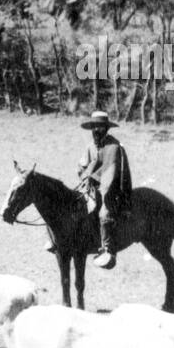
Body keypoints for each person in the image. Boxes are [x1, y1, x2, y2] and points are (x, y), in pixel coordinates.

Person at [77, 110, 131, 269]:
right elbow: (82, 166)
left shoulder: (114, 146)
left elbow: (111, 171)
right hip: (90, 187)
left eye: (100, 127)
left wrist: (95, 178)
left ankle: (108, 250)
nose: (96, 130)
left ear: (106, 128)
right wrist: (84, 175)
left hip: (111, 189)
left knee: (104, 213)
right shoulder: (90, 147)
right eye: (94, 127)